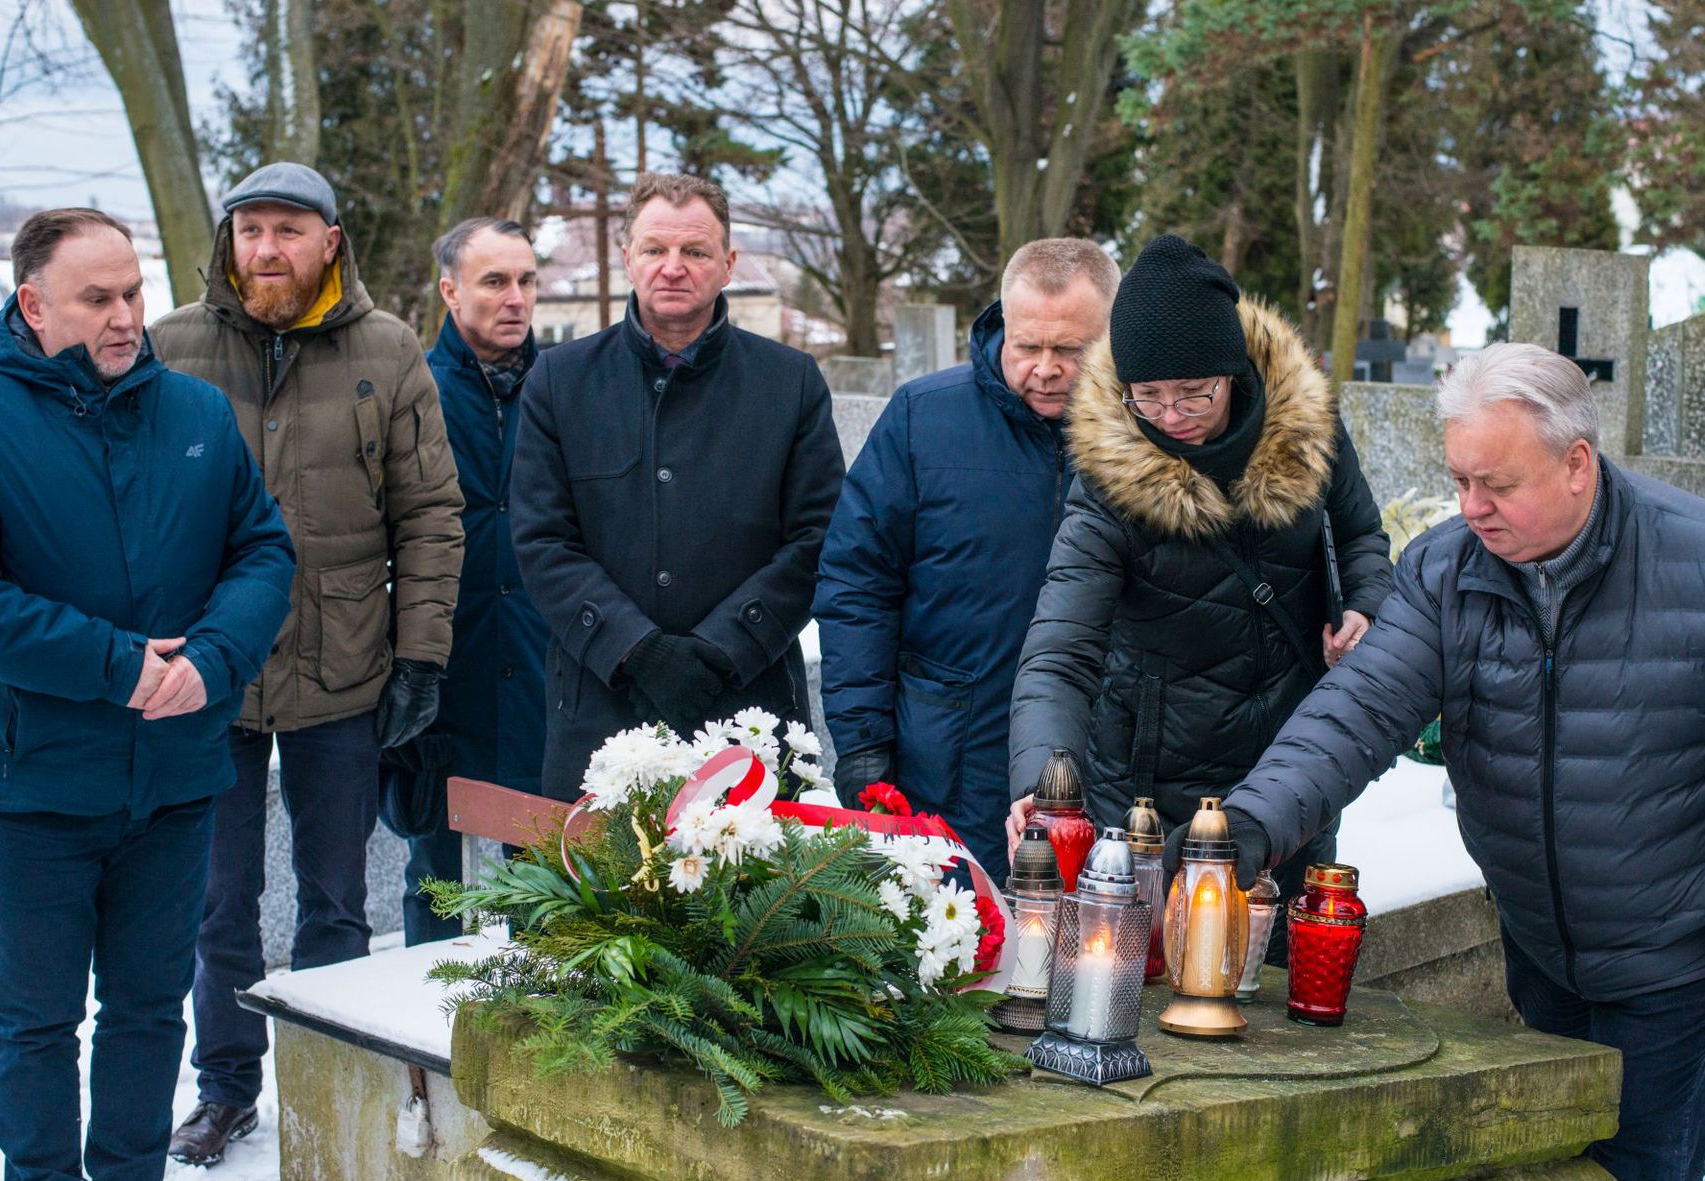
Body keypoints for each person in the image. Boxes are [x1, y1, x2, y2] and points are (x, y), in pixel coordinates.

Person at [1219, 341, 1705, 1181]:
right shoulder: (1447, 571)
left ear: (1576, 463)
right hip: (1539, 948)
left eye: (1496, 484)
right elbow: (1359, 708)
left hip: (1676, 959)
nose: (1471, 507)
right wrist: (1250, 826)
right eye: (1459, 481)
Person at [0, 209, 295, 1181]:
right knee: (37, 1019)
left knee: (146, 1005)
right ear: (33, 306)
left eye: (133, 291)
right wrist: (117, 665)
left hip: (175, 773)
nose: (127, 315)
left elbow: (262, 550)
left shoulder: (194, 413)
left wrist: (213, 660)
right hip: (37, 780)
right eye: (98, 299)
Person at [150, 162, 465, 1165]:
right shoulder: (171, 346)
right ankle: (226, 1086)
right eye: (250, 230)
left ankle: (334, 1081)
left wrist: (420, 655)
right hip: (211, 670)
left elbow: (429, 513)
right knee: (218, 899)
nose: (267, 249)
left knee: (335, 898)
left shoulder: (388, 349)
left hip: (345, 667)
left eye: (288, 230)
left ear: (330, 241)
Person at [1005, 234, 1392, 941]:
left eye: (1193, 394)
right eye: (1147, 397)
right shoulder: (1109, 478)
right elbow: (1061, 649)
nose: (1171, 416)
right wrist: (1041, 787)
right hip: (1150, 794)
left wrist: (1364, 606)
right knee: (1144, 973)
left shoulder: (1309, 427)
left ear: (1233, 374)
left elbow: (1362, 532)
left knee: (1277, 973)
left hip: (1290, 774)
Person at [512, 173, 845, 798]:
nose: (673, 267)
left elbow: (818, 538)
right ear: (627, 257)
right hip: (603, 705)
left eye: (695, 251)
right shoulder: (560, 380)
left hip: (748, 706)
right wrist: (635, 649)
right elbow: (542, 540)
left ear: (728, 264)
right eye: (655, 249)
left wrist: (725, 647)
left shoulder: (790, 382)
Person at [814, 239, 1117, 881]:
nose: (1045, 369)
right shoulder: (923, 418)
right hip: (948, 766)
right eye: (1027, 346)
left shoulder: (1151, 427)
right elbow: (856, 584)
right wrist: (863, 746)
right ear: (1003, 322)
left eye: (1070, 350)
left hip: (1104, 765)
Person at [397, 218, 547, 943]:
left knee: (549, 879)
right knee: (435, 877)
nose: (515, 298)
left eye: (526, 281)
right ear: (451, 292)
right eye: (495, 281)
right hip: (443, 672)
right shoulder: (412, 391)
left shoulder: (564, 388)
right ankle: (421, 1002)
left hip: (545, 668)